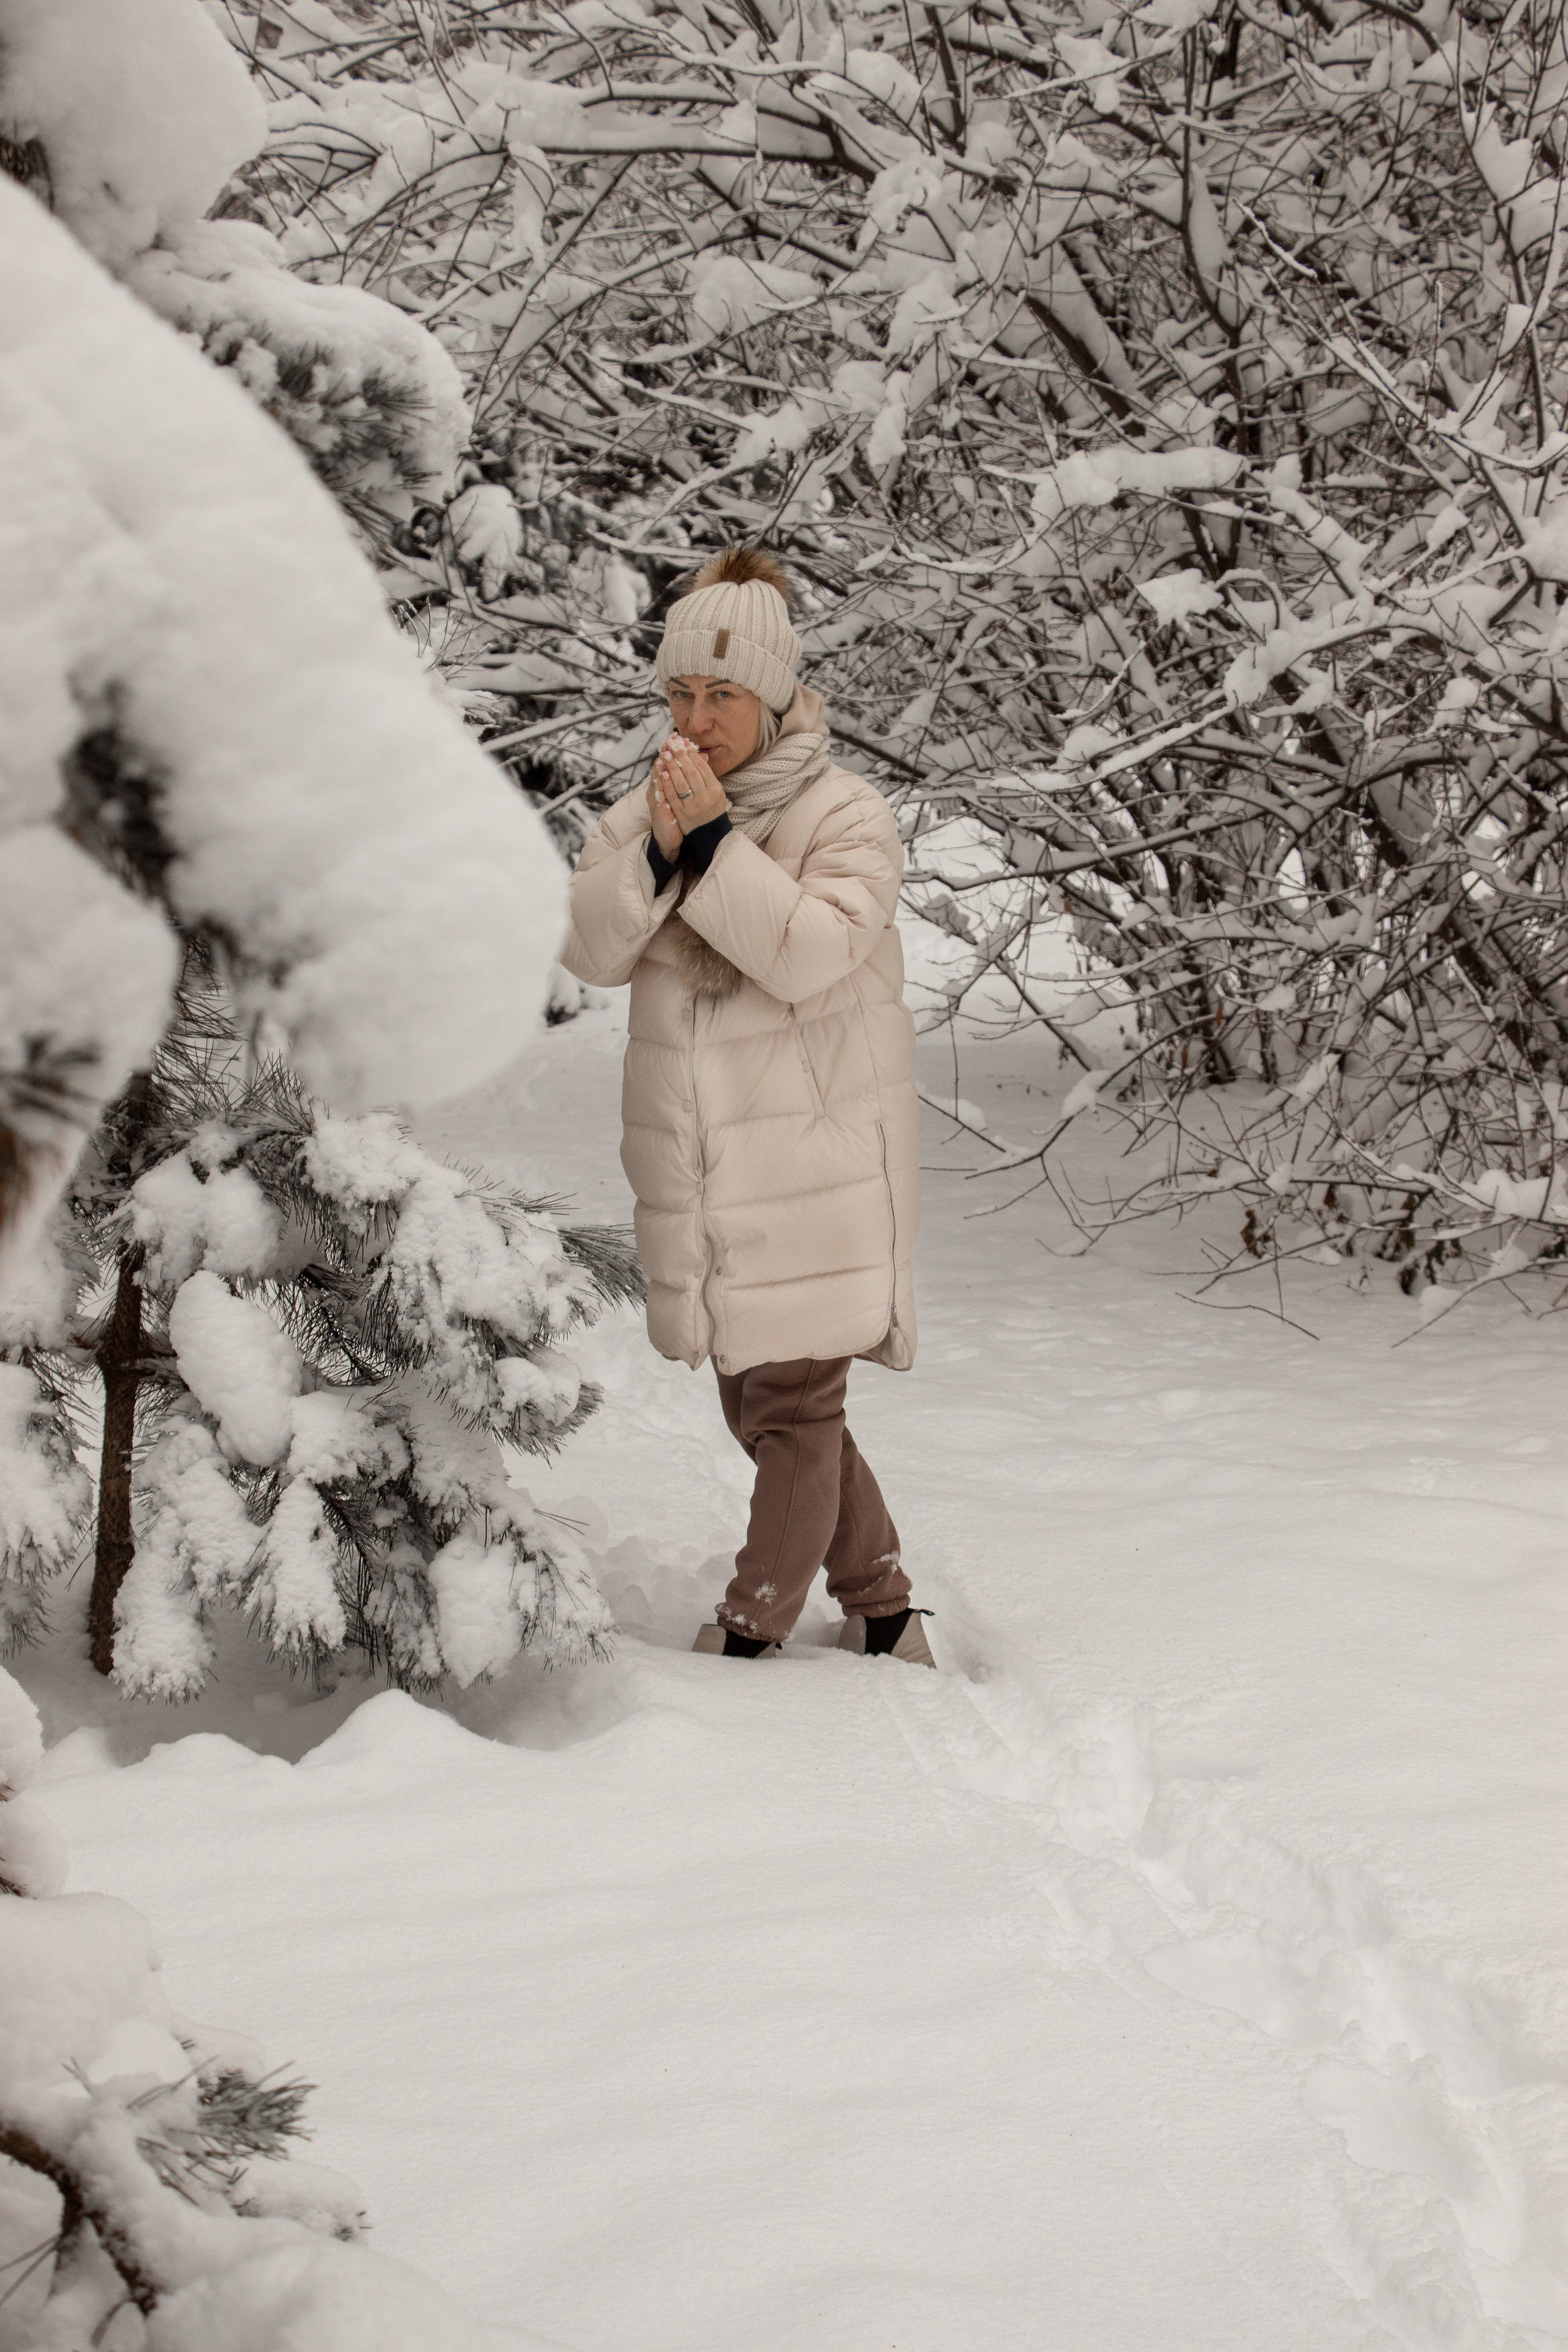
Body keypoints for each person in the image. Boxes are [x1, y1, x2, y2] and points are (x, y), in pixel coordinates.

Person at [559, 549, 932, 1667]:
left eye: (722, 695)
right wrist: (666, 848)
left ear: (772, 697)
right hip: (707, 1177)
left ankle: (752, 1628)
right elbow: (589, 944)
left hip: (813, 1174)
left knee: (791, 1409)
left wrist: (716, 846)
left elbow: (810, 952)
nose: (697, 716)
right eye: (680, 692)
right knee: (768, 1402)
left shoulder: (844, 815)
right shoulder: (651, 811)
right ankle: (883, 1604)